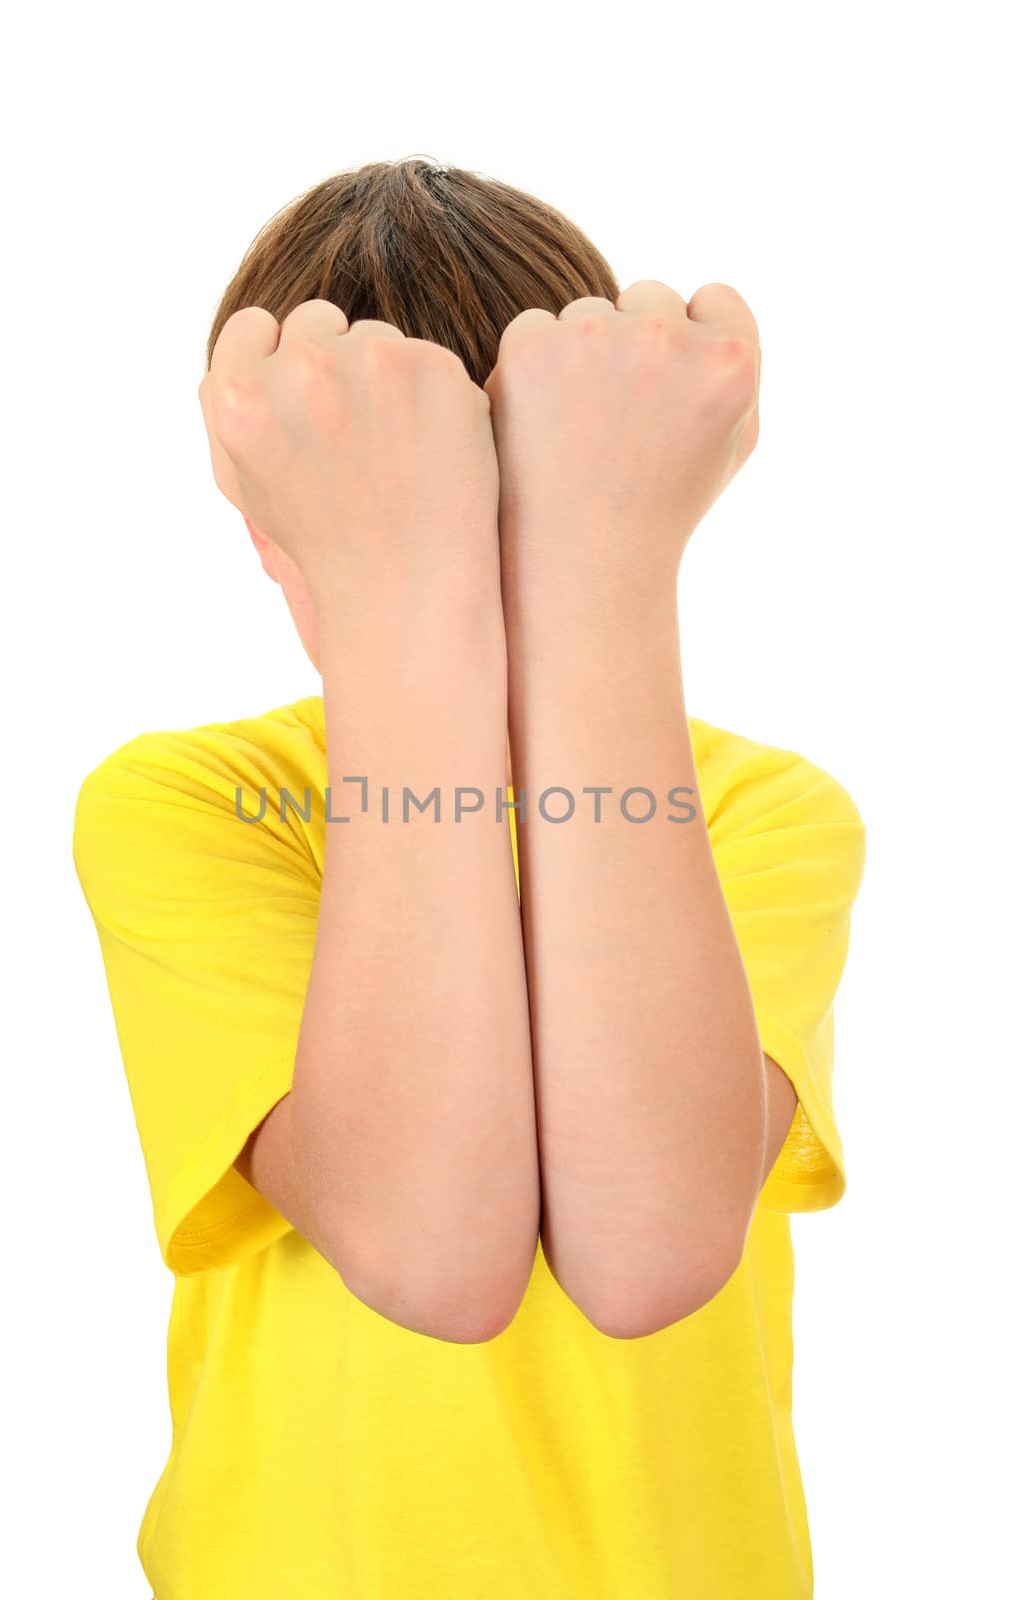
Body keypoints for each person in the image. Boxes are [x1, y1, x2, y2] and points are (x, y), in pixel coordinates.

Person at [72, 155, 866, 1599]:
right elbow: (431, 1249)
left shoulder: (760, 812)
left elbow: (645, 1249)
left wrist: (604, 574)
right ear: (266, 530)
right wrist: (414, 601)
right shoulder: (194, 807)